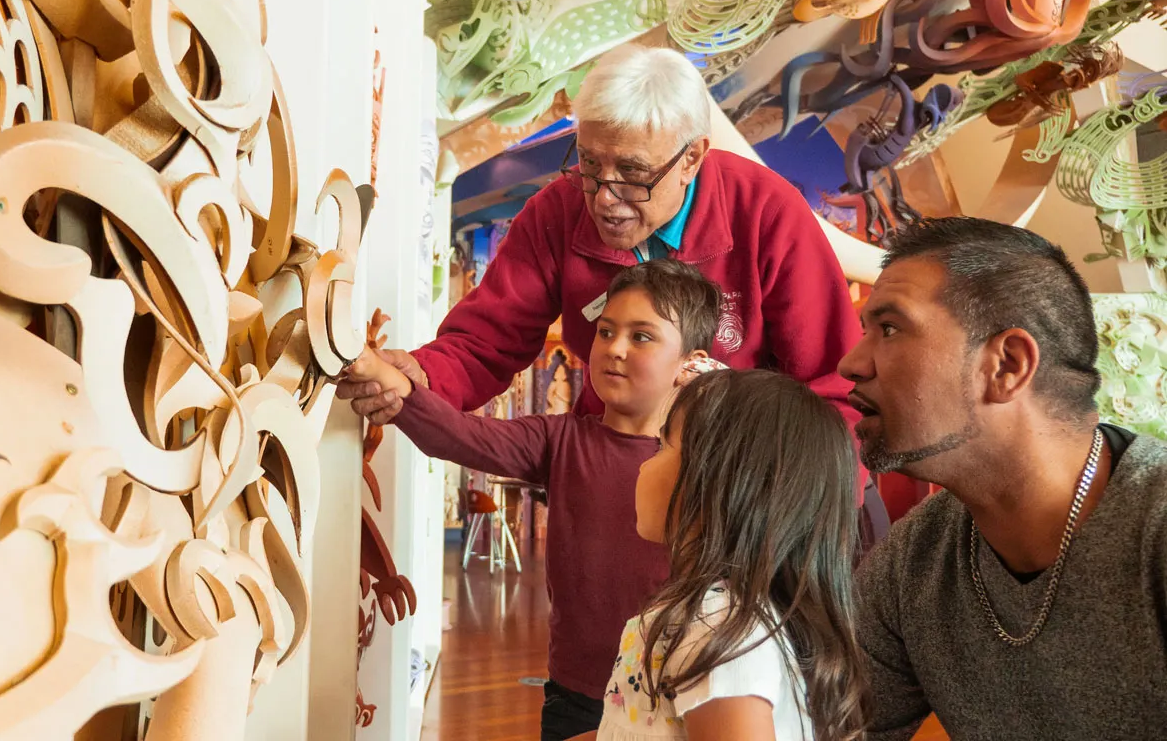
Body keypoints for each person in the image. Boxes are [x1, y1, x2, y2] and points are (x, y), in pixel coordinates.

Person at [336, 43, 887, 543]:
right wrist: (420, 376)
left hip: (758, 494)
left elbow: (835, 393)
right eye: (590, 164)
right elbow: (485, 342)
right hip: (616, 473)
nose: (604, 197)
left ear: (692, 158)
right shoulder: (557, 211)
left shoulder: (768, 212)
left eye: (633, 173)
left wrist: (792, 512)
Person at [347, 259, 723, 741]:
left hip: (672, 692)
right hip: (576, 693)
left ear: (691, 363)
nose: (615, 349)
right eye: (606, 332)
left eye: (642, 336)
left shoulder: (709, 462)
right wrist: (400, 391)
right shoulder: (561, 439)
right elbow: (464, 436)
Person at [843, 217, 1167, 740]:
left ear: (1007, 365)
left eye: (889, 328)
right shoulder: (913, 563)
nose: (850, 363)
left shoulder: (1155, 528)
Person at [597, 369, 868, 741]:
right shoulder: (712, 618)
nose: (644, 463)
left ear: (723, 486)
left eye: (663, 445)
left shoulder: (717, 633)